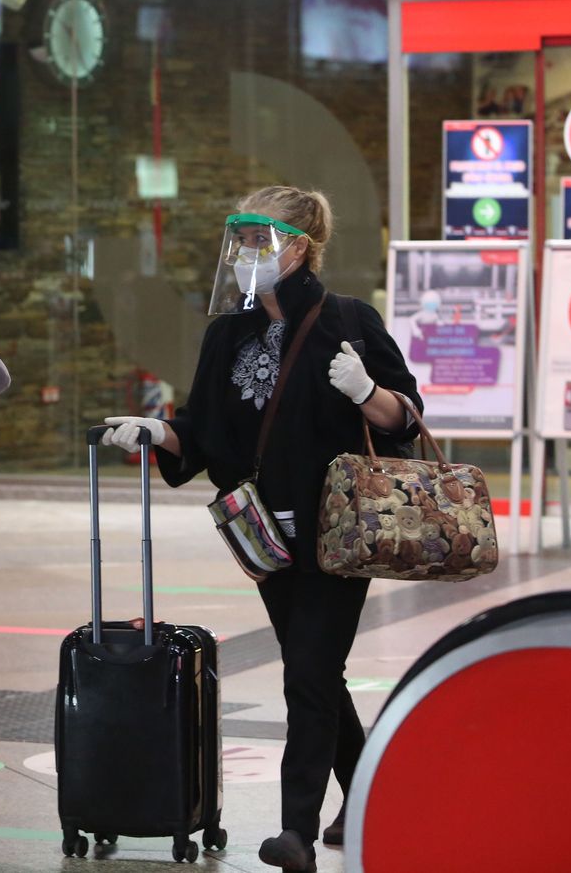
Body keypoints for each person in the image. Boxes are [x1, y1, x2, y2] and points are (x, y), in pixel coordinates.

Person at [104, 186, 420, 873]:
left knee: (308, 673)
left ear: (299, 248)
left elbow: (407, 420)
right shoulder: (228, 333)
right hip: (266, 536)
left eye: (259, 241)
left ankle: (295, 832)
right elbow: (202, 432)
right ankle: (371, 791)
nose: (246, 254)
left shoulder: (349, 321)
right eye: (241, 241)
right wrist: (157, 430)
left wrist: (367, 391)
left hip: (338, 533)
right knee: (317, 671)